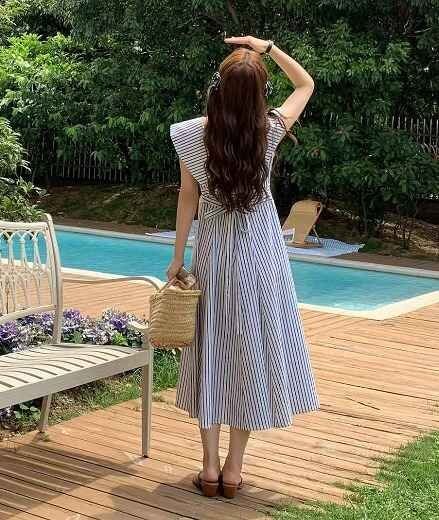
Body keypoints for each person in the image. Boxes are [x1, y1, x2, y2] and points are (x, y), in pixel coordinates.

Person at [168, 35, 319, 499]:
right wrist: (266, 47)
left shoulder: (188, 134)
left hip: (214, 255)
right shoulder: (269, 130)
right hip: (261, 257)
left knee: (211, 351)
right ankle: (234, 470)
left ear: (217, 88)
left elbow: (188, 198)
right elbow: (306, 84)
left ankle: (209, 467)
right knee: (249, 353)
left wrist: (177, 258)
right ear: (258, 94)